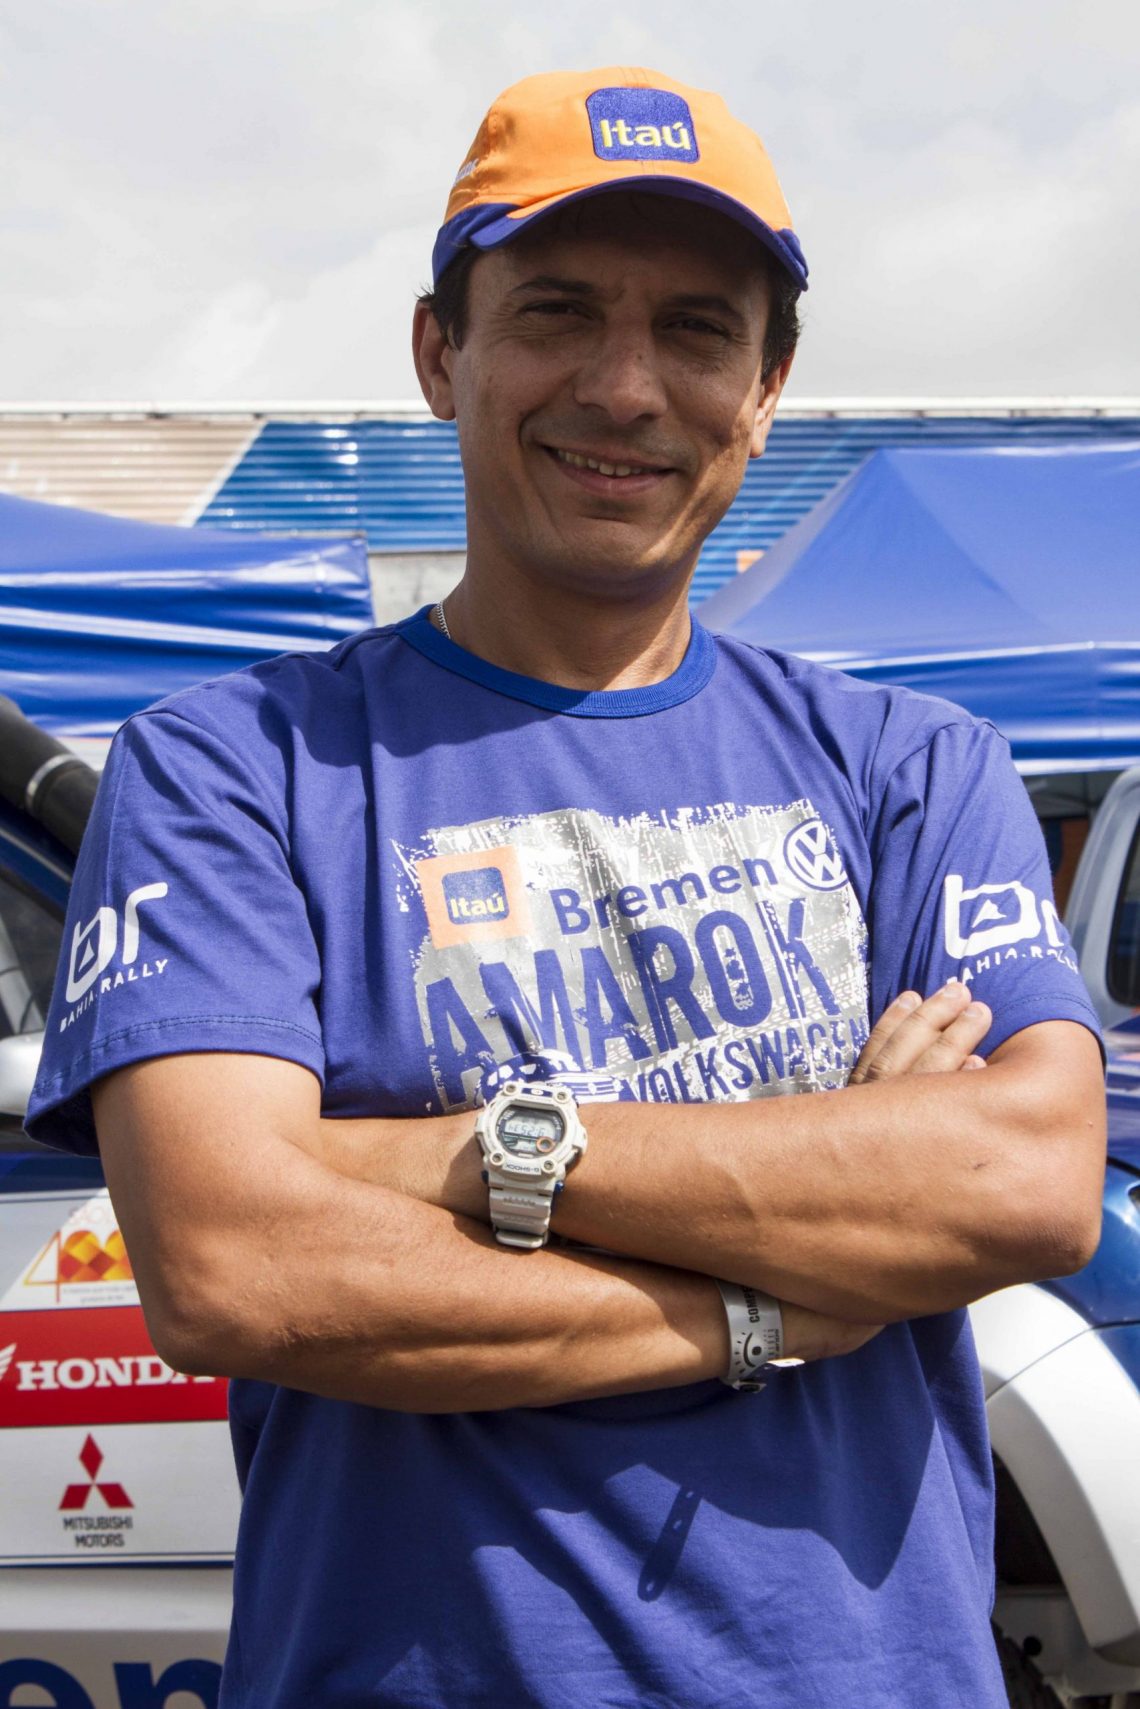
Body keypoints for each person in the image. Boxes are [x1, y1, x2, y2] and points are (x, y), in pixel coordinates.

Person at [28, 66, 1105, 1709]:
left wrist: (451, 1153)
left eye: (697, 330)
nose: (625, 386)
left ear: (766, 389)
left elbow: (1024, 1179)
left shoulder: (915, 767)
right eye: (558, 313)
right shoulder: (231, 767)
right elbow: (239, 1264)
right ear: (439, 353)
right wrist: (778, 1295)